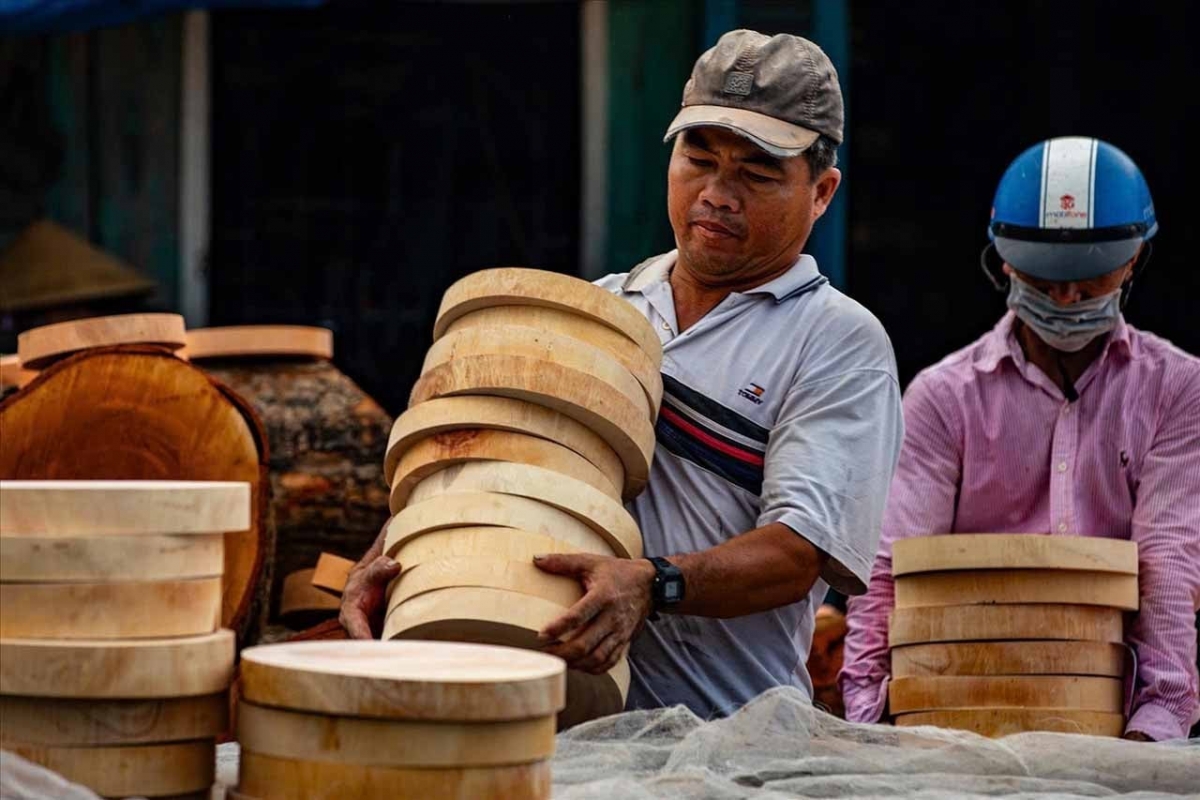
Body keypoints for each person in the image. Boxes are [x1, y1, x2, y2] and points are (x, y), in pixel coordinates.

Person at [341, 29, 904, 720]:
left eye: (756, 174)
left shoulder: (837, 342)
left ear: (821, 192)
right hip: (560, 720)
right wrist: (388, 553)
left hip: (729, 741)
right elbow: (485, 453)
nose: (718, 194)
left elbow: (795, 555)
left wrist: (654, 585)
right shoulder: (602, 309)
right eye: (698, 159)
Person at [840, 136, 1200, 741]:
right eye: (1045, 278)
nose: (1065, 298)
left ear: (1134, 259)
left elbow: (1168, 560)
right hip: (958, 699)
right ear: (1004, 260)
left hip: (1108, 701)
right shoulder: (944, 396)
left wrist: (1157, 721)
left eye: (1089, 280)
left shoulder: (1176, 389)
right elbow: (891, 565)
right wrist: (873, 714)